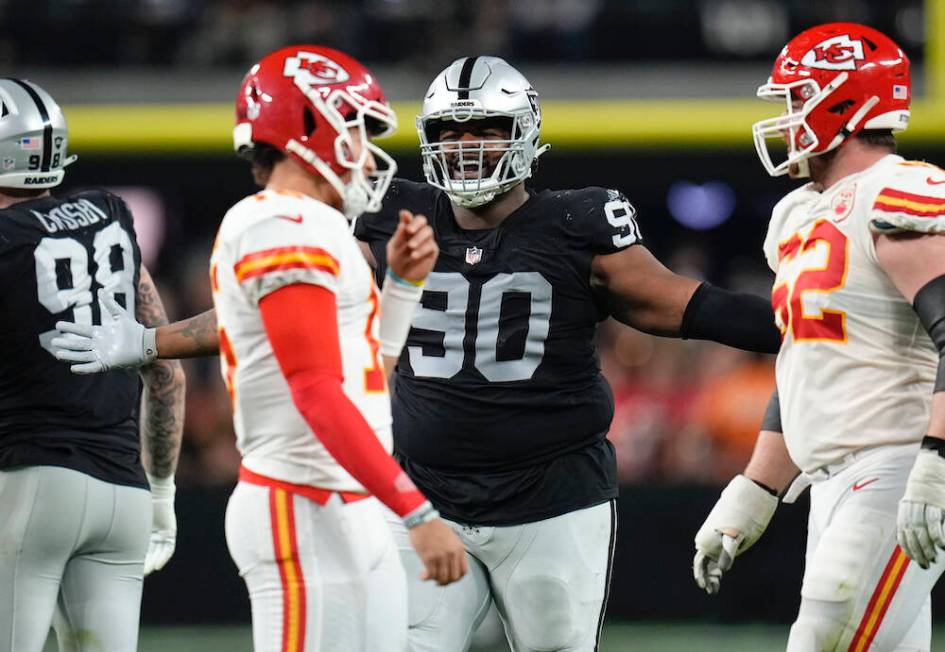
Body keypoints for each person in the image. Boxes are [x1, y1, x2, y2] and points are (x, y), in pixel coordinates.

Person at [52, 56, 781, 651]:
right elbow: (273, 316)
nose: (467, 147)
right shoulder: (385, 209)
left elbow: (687, 304)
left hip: (552, 499)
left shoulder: (577, 220)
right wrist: (152, 339)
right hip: (424, 488)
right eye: (451, 131)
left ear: (524, 133)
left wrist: (804, 321)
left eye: (487, 130)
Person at [56, 45, 469, 652]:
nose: (364, 148)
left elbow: (369, 380)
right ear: (310, 125)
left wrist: (403, 286)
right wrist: (417, 512)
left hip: (346, 498)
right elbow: (315, 393)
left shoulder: (321, 228)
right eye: (353, 126)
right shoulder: (278, 225)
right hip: (300, 502)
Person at [691, 22, 945, 651]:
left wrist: (937, 460)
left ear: (842, 101)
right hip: (835, 480)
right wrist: (754, 489)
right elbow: (803, 363)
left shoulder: (899, 189)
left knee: (821, 640)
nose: (785, 117)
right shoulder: (796, 213)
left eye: (794, 98)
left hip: (897, 464)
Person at [0, 78, 186, 652]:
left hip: (28, 486)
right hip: (124, 493)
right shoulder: (110, 213)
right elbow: (166, 372)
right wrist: (161, 492)